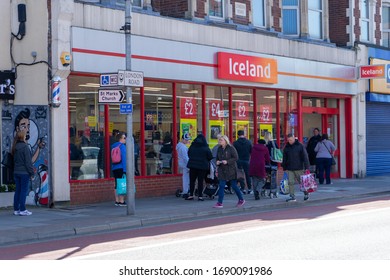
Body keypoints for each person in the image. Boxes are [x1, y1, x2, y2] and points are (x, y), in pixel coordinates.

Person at [213, 135, 246, 208]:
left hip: (230, 169)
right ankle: (219, 203)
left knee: (234, 185)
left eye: (221, 140)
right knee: (221, 185)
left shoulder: (231, 148)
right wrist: (217, 162)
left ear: (225, 140)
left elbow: (236, 157)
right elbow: (217, 158)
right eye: (219, 140)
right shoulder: (219, 148)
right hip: (222, 169)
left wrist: (227, 161)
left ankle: (241, 199)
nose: (219, 141)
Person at [12, 130, 35, 216]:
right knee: (23, 191)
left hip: (16, 172)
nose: (26, 137)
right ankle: (22, 209)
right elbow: (28, 162)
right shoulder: (25, 147)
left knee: (18, 190)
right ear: (22, 137)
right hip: (24, 172)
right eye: (25, 135)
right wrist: (32, 173)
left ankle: (16, 209)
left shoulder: (14, 147)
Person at [282, 133, 310, 202]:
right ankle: (292, 196)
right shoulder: (287, 147)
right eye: (288, 140)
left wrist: (307, 166)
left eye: (291, 140)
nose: (290, 142)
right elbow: (284, 158)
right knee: (290, 182)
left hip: (299, 167)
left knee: (301, 182)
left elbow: (305, 156)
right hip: (289, 168)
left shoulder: (300, 146)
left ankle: (306, 193)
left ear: (294, 138)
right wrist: (284, 167)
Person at [186, 133, 213, 201]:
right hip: (202, 166)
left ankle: (191, 195)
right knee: (200, 181)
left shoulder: (192, 146)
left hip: (192, 166)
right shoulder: (205, 147)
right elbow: (210, 157)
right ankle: (200, 196)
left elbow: (188, 154)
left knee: (192, 181)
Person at [233, 130, 252, 194]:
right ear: (244, 134)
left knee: (240, 175)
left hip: (238, 160)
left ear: (238, 135)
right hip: (246, 160)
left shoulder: (235, 143)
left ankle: (242, 188)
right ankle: (249, 188)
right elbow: (251, 151)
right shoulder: (249, 142)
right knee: (247, 175)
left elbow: (233, 153)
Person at [111, 132, 127, 206]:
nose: (125, 139)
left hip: (114, 167)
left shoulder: (113, 146)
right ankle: (121, 201)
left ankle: (116, 201)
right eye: (124, 138)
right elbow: (124, 159)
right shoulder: (122, 147)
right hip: (121, 167)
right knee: (122, 184)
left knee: (116, 184)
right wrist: (125, 170)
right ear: (120, 139)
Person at [264, 131, 279, 198]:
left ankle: (265, 190)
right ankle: (273, 191)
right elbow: (278, 151)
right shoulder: (274, 143)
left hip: (266, 163)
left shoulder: (265, 144)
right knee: (273, 178)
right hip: (274, 162)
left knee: (267, 177)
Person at [176, 133, 191, 198]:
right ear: (182, 139)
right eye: (186, 140)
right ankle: (186, 190)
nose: (187, 141)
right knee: (186, 178)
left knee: (185, 177)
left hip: (181, 163)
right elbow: (185, 158)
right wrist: (189, 165)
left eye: (188, 140)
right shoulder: (183, 148)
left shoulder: (179, 146)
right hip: (185, 164)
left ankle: (186, 190)